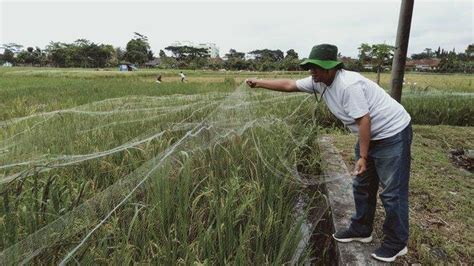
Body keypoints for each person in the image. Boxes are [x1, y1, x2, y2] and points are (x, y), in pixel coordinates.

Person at [246, 44, 412, 263]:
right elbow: (288, 84)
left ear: (332, 68)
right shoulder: (319, 82)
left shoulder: (348, 85)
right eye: (310, 67)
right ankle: (362, 229)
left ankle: (396, 243)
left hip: (392, 133)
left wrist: (363, 156)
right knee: (361, 184)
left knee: (392, 192)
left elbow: (364, 120)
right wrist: (259, 82)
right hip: (369, 135)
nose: (312, 72)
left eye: (317, 67)